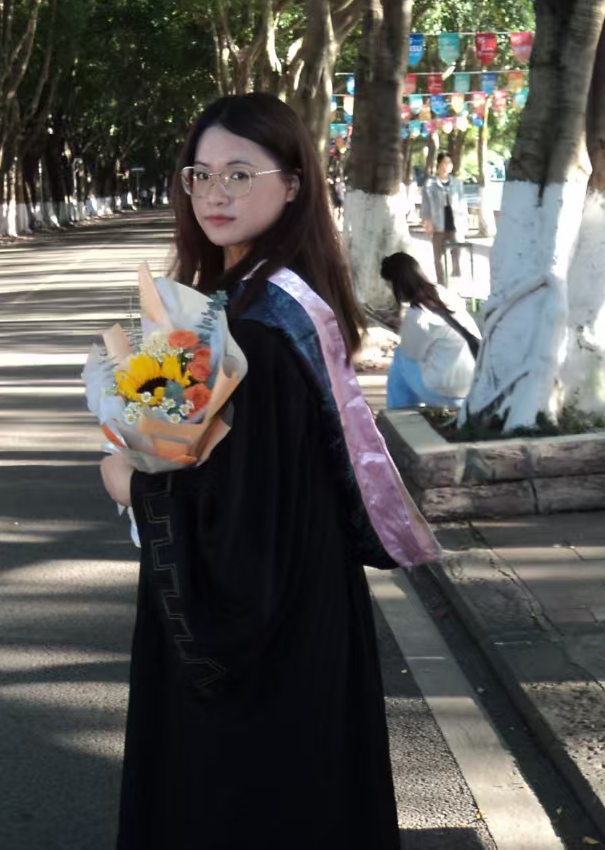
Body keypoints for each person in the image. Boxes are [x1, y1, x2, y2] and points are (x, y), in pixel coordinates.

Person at [99, 93, 438, 850]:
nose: (214, 194)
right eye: (200, 175)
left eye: (240, 174)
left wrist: (132, 483)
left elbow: (238, 516)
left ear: (292, 184)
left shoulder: (256, 329)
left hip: (264, 646)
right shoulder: (263, 301)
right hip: (309, 600)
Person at [379, 251, 479, 409]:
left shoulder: (417, 315)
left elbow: (413, 354)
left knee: (400, 357)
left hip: (445, 391)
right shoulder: (443, 292)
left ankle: (399, 412)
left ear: (397, 284)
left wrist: (402, 329)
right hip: (472, 385)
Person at [422, 152, 468, 285]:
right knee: (438, 256)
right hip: (438, 223)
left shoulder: (457, 183)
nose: (449, 165)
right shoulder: (430, 183)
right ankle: (441, 281)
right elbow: (426, 205)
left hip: (454, 223)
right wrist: (427, 222)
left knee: (457, 250)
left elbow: (463, 202)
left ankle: (456, 275)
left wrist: (464, 222)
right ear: (439, 164)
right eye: (446, 162)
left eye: (450, 163)